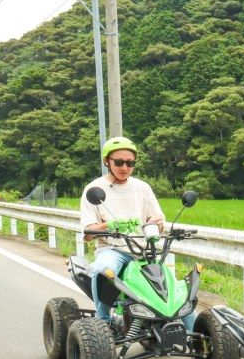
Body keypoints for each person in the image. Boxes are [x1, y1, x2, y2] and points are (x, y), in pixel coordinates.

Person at [79, 136, 194, 331]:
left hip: (146, 251)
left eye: (130, 163)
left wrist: (155, 223)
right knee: (101, 270)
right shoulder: (94, 189)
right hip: (113, 249)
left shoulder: (142, 187)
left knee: (179, 292)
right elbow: (89, 234)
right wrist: (109, 225)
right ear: (107, 161)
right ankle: (103, 321)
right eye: (119, 162)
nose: (125, 167)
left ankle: (194, 336)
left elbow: (159, 221)